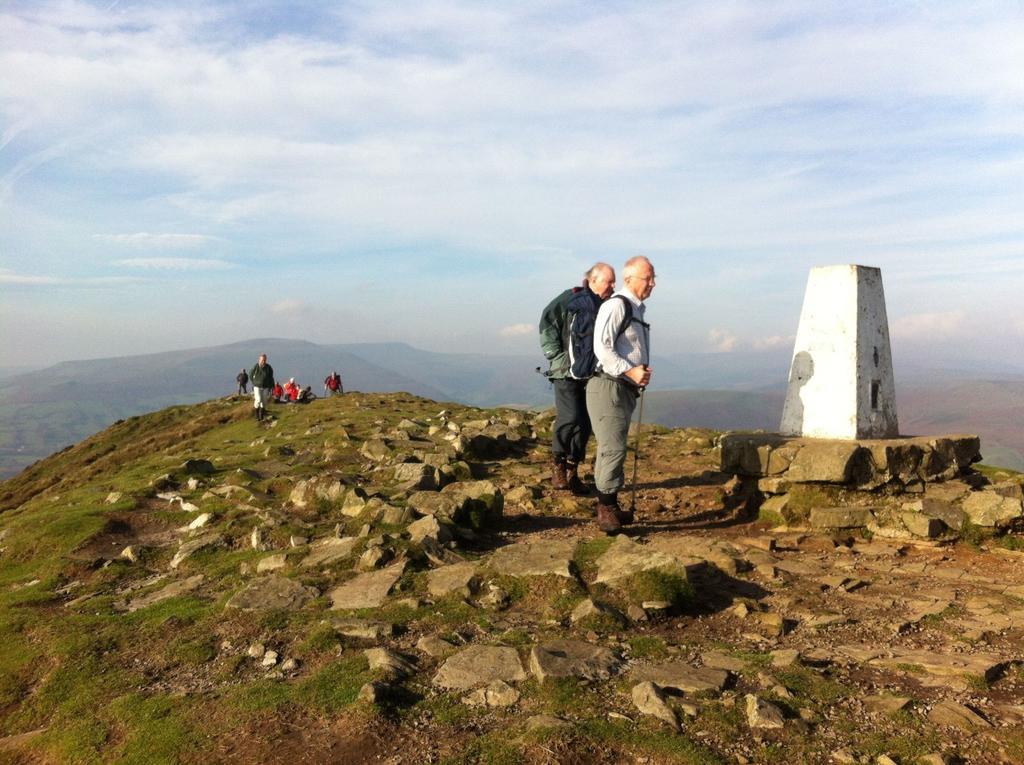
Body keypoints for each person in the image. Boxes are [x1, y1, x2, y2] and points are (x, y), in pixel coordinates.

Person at [586, 256, 655, 534]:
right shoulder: (617, 305)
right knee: (613, 448)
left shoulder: (634, 309)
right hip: (609, 385)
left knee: (612, 446)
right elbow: (602, 349)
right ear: (629, 279)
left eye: (653, 278)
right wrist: (631, 371)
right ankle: (606, 508)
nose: (652, 283)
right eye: (647, 278)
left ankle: (609, 504)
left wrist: (635, 374)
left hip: (621, 387)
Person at [539, 262, 616, 495]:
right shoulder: (569, 299)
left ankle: (573, 471)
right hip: (565, 371)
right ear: (592, 280)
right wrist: (555, 356)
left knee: (586, 423)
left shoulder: (608, 305)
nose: (613, 286)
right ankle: (558, 464)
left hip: (593, 372)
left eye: (614, 281)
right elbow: (547, 322)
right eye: (608, 281)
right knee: (570, 415)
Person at [249, 353, 275, 422]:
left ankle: (261, 416)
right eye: (262, 360)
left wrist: (272, 386)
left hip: (265, 387)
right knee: (258, 399)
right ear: (259, 360)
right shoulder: (256, 366)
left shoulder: (268, 367)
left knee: (264, 401)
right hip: (257, 386)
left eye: (265, 360)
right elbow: (250, 375)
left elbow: (271, 377)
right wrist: (254, 382)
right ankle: (257, 415)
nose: (263, 361)